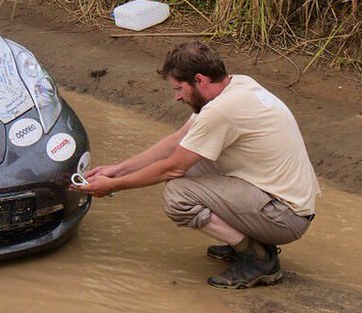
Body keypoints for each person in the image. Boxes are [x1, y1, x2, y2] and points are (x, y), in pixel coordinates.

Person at [72, 41, 319, 289]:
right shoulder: (237, 84)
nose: (177, 96)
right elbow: (178, 141)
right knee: (191, 169)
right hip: (283, 201)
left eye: (179, 88)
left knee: (177, 195)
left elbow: (172, 168)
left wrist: (114, 185)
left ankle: (258, 258)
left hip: (285, 217)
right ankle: (248, 242)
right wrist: (118, 169)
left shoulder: (221, 110)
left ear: (199, 80)